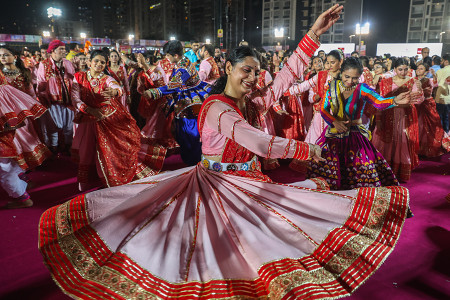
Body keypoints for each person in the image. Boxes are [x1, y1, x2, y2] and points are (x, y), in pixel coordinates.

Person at [39, 6, 410, 299]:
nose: (252, 77)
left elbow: (282, 81)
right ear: (228, 68)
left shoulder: (250, 101)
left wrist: (313, 34)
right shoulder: (218, 107)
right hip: (216, 186)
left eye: (256, 73)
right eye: (245, 71)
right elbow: (259, 142)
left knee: (264, 243)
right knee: (212, 256)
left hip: (247, 181)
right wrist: (307, 149)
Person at [308, 57, 409, 190]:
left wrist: (394, 100)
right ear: (341, 72)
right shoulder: (332, 87)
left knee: (360, 174)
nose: (350, 81)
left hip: (354, 136)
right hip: (332, 135)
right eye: (347, 76)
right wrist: (334, 122)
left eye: (355, 78)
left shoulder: (362, 89)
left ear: (360, 76)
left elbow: (378, 102)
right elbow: (323, 109)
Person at [70, 50, 155, 191]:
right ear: (89, 62)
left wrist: (115, 92)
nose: (99, 64)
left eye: (102, 62)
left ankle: (111, 178)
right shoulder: (79, 77)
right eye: (96, 61)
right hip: (88, 118)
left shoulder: (107, 78)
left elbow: (117, 87)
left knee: (109, 151)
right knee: (86, 150)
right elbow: (75, 98)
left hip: (106, 118)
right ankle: (86, 181)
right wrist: (89, 110)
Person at [143, 40, 211, 166]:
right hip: (188, 96)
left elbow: (173, 85)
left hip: (190, 99)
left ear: (175, 55)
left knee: (189, 131)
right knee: (185, 129)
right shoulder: (183, 61)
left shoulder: (183, 68)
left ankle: (194, 161)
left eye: (168, 55)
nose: (166, 58)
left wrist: (154, 92)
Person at [372, 58, 424, 182]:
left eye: (406, 69)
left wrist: (418, 91)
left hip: (405, 116)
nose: (403, 71)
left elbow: (418, 100)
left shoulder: (413, 82)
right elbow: (380, 100)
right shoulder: (385, 82)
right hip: (387, 113)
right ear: (394, 69)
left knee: (402, 140)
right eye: (400, 69)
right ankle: (383, 170)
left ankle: (398, 171)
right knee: (385, 140)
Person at [0, 46, 51, 169]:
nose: (2, 57)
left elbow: (31, 93)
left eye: (5, 54)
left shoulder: (24, 72)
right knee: (14, 138)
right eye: (0, 55)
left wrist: (34, 109)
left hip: (24, 111)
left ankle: (31, 163)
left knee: (28, 135)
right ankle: (19, 167)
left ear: (15, 57)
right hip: (7, 112)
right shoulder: (1, 74)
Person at [287, 50, 344, 145]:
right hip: (321, 114)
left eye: (333, 63)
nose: (329, 65)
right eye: (327, 63)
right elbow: (304, 86)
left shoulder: (345, 76)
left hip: (338, 115)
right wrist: (285, 90)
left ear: (340, 61)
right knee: (316, 141)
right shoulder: (322, 75)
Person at [36, 39, 75, 155]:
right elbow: (40, 83)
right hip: (52, 101)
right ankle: (53, 147)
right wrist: (43, 98)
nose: (64, 51)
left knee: (69, 126)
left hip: (68, 100)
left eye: (64, 48)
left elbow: (73, 78)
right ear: (52, 51)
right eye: (61, 49)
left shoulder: (67, 63)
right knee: (53, 126)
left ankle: (69, 147)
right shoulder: (44, 64)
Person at [415, 62, 450, 157]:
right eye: (418, 68)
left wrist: (434, 76)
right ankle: (416, 147)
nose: (418, 70)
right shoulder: (413, 80)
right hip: (416, 105)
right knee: (416, 125)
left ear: (426, 72)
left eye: (421, 68)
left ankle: (428, 147)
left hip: (427, 105)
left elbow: (435, 84)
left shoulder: (429, 80)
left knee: (429, 126)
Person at [435, 54, 450, 133]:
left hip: (442, 97)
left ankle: (440, 135)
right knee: (447, 117)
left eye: (442, 60)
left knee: (440, 117)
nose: (440, 62)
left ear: (446, 62)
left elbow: (436, 83)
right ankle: (447, 133)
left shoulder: (440, 71)